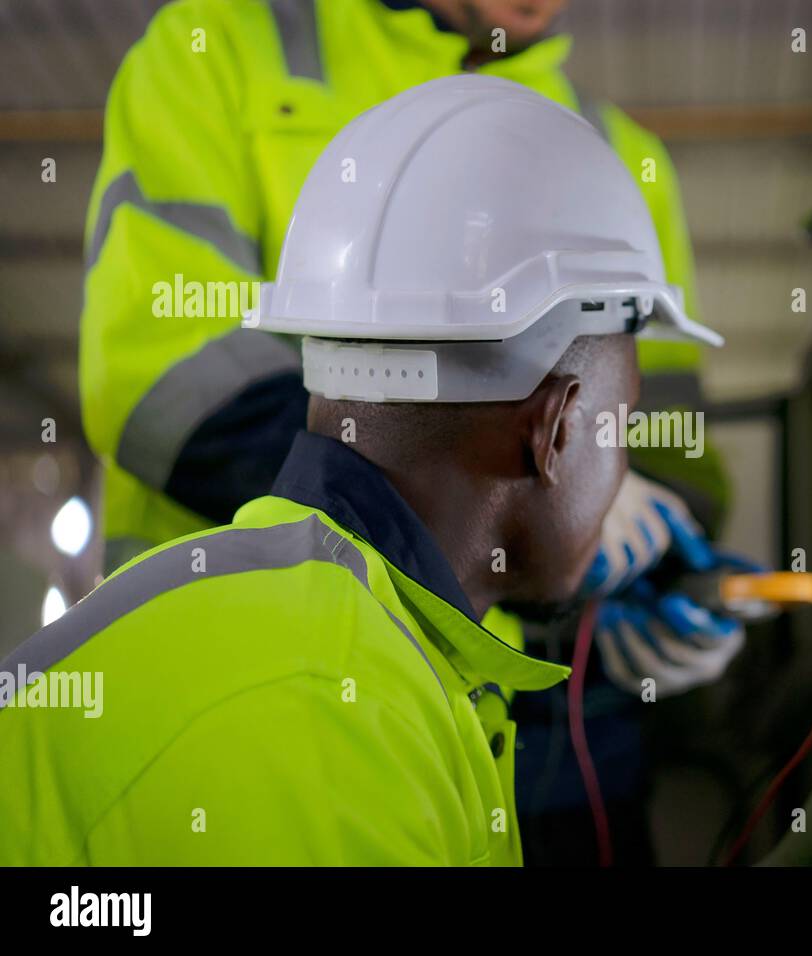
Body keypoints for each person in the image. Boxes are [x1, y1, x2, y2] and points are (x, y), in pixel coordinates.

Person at [82, 0, 741, 865]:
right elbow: (165, 378)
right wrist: (446, 514)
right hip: (267, 694)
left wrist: (657, 562)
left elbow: (669, 435)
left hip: (549, 718)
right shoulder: (221, 51)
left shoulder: (621, 157)